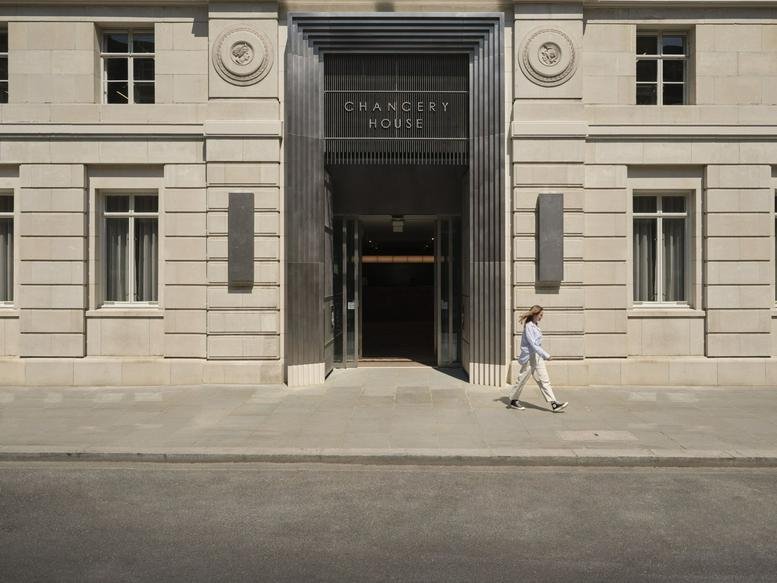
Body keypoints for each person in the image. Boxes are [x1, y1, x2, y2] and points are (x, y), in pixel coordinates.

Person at [509, 305, 568, 412]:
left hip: (537, 356)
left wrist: (542, 355)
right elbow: (533, 344)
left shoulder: (535, 325)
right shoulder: (529, 326)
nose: (542, 317)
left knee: (544, 379)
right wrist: (546, 355)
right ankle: (513, 400)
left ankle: (554, 403)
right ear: (535, 314)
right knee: (522, 379)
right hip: (530, 356)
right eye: (540, 315)